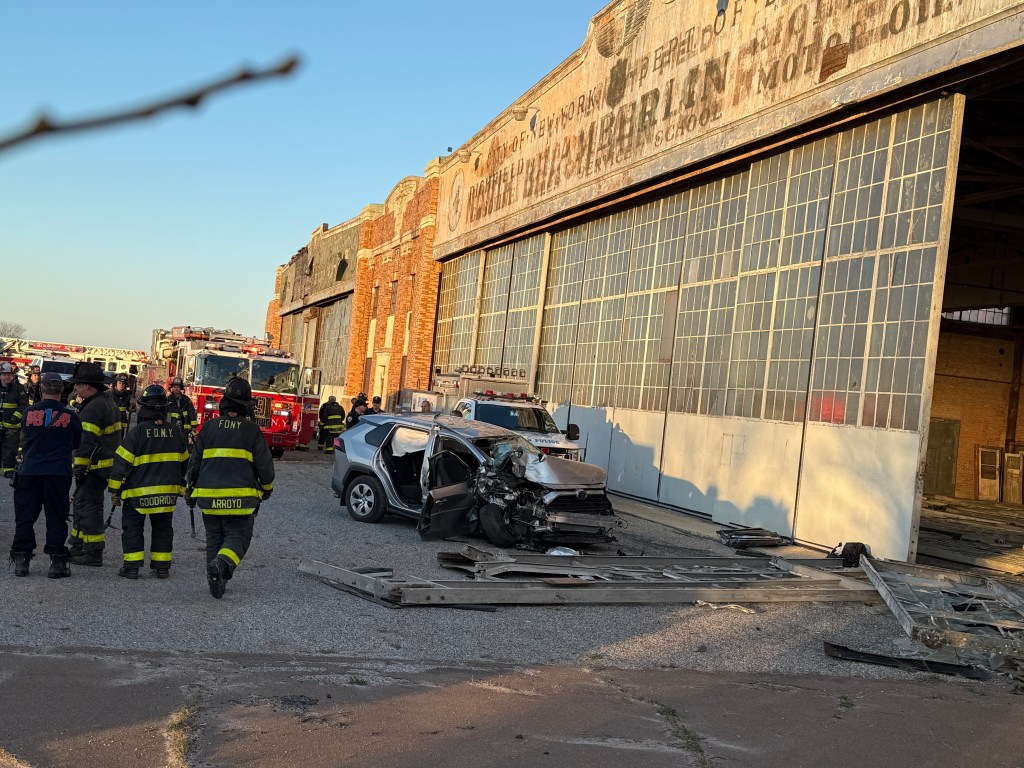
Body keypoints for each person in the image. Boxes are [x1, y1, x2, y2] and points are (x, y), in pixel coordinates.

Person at [185, 377, 274, 599]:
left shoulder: (208, 428)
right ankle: (222, 564)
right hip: (241, 501)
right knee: (238, 537)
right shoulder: (252, 430)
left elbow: (194, 463)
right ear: (246, 406)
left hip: (208, 499)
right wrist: (267, 488)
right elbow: (265, 466)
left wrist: (189, 489)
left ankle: (216, 579)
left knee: (214, 538)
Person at [108, 385, 188, 580]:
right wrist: (179, 486)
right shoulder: (176, 433)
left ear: (145, 408)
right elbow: (184, 463)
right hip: (166, 495)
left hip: (138, 494)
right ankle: (162, 567)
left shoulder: (137, 433)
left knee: (133, 528)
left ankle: (132, 567)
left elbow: (121, 463)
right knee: (163, 529)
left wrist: (115, 490)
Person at [8, 372, 82, 578]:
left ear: (41, 388)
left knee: (25, 518)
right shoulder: (71, 416)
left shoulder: (28, 412)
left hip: (29, 472)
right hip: (58, 473)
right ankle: (57, 563)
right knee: (56, 518)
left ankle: (21, 560)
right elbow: (77, 443)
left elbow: (23, 436)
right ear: (62, 390)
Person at [67, 362, 122, 566]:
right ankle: (78, 545)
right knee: (82, 504)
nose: (75, 388)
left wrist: (79, 468)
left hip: (93, 467)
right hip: (102, 465)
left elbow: (85, 441)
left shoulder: (94, 407)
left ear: (88, 386)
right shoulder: (104, 401)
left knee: (89, 507)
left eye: (78, 384)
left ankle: (92, 552)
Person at [0, 362, 29, 478]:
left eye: (9, 374)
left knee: (10, 448)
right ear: (0, 376)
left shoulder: (18, 389)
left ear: (13, 376)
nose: (7, 377)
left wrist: (15, 418)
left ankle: (8, 469)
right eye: (4, 374)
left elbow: (24, 405)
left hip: (12, 426)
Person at [111, 373, 135, 437]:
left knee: (120, 440)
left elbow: (129, 409)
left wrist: (132, 405)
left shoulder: (127, 395)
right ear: (116, 383)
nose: (121, 385)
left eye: (123, 383)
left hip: (121, 423)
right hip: (110, 422)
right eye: (119, 383)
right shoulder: (109, 394)